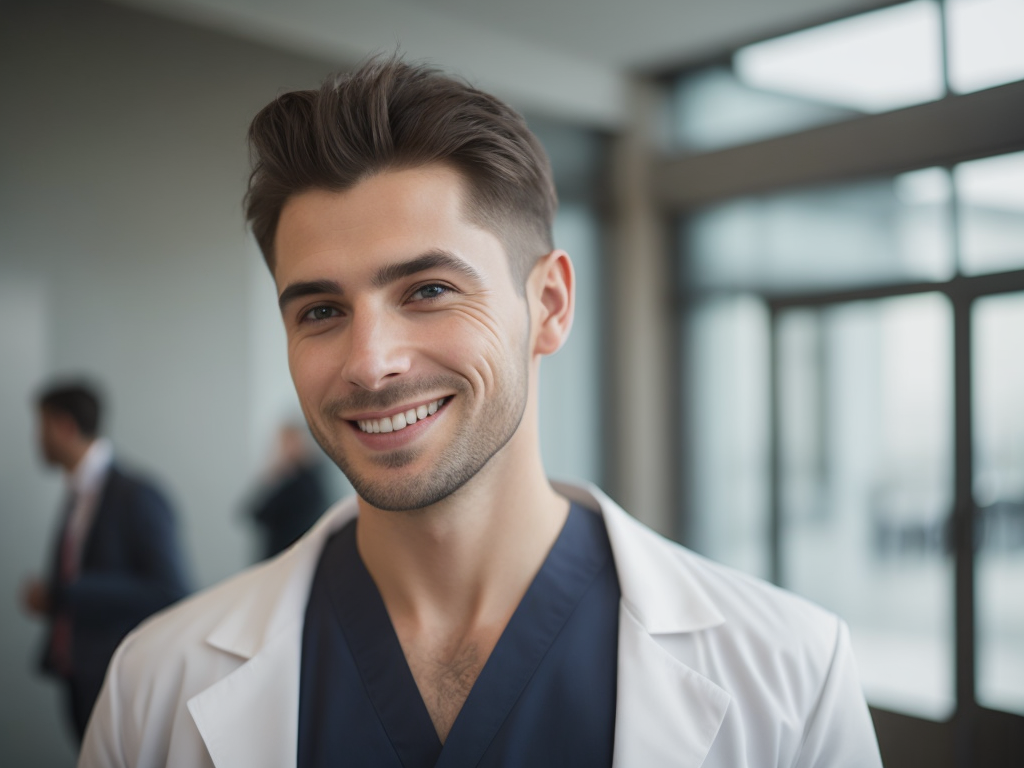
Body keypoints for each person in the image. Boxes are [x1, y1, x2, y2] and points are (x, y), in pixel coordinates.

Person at [80, 58, 882, 767]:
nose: (370, 363)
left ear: (550, 305)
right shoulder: (154, 684)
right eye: (321, 311)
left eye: (428, 290)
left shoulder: (792, 675)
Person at [21, 381, 191, 742]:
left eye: (41, 426)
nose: (37, 439)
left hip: (117, 677)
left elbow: (170, 591)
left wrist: (67, 593)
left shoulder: (136, 495)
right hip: (76, 673)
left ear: (65, 427)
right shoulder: (77, 493)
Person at [246, 421, 330, 559]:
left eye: (287, 441)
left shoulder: (301, 481)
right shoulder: (298, 476)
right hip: (286, 555)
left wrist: (276, 475)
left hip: (289, 556)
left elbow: (261, 513)